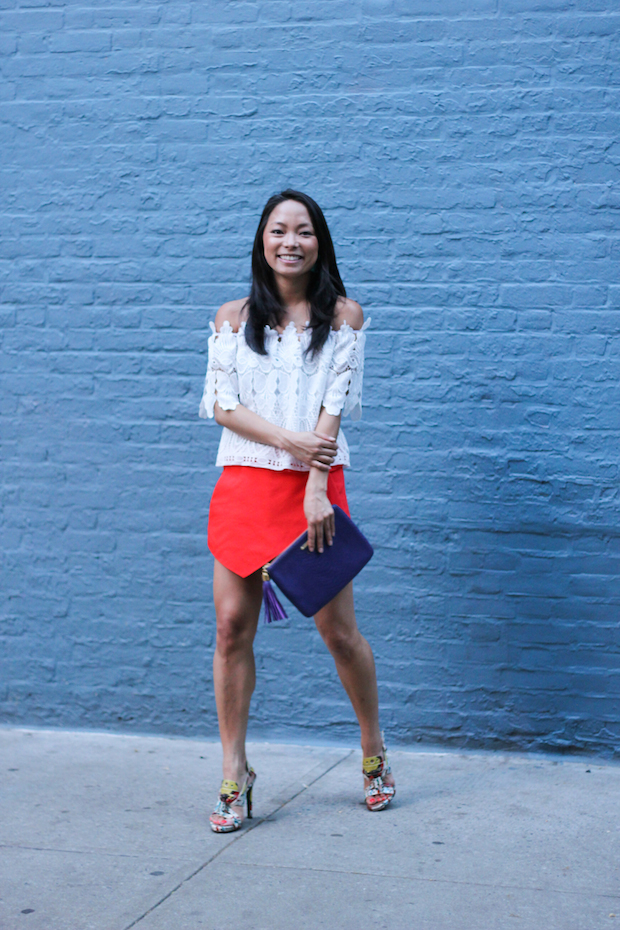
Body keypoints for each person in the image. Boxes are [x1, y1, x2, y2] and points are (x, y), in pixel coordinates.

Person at [199, 189, 395, 833]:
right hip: (247, 485)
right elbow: (222, 406)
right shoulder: (231, 318)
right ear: (262, 240)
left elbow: (334, 407)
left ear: (319, 242)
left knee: (338, 633)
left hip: (315, 488)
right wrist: (287, 440)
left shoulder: (344, 318)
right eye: (279, 230)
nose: (291, 241)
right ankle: (235, 772)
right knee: (231, 629)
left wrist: (316, 483)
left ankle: (372, 750)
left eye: (303, 231)